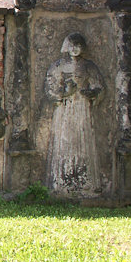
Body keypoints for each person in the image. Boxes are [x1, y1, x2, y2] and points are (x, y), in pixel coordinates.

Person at [45, 33, 103, 195]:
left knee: (82, 139)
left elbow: (98, 86)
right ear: (67, 47)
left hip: (82, 107)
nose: (75, 49)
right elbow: (50, 88)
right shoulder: (58, 66)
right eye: (72, 45)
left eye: (78, 45)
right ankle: (61, 182)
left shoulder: (89, 66)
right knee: (64, 140)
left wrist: (90, 93)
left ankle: (85, 182)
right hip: (64, 109)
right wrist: (64, 92)